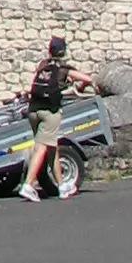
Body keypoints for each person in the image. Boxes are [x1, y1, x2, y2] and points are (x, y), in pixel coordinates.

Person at [17, 33, 98, 203]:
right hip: (50, 113)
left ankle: (61, 186)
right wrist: (81, 85)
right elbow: (88, 79)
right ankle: (28, 185)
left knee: (51, 148)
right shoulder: (63, 69)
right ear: (63, 52)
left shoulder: (42, 65)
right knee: (41, 148)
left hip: (33, 111)